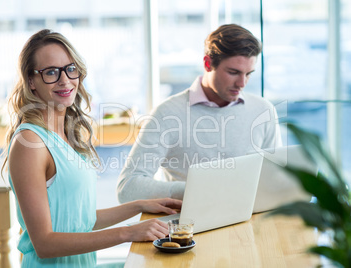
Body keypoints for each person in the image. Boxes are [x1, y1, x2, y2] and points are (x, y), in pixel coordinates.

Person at [2, 29, 182, 267]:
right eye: (51, 72)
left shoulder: (64, 134)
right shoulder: (30, 143)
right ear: (32, 81)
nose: (65, 80)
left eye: (70, 69)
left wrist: (139, 206)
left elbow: (80, 222)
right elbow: (44, 244)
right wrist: (128, 233)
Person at [117, 24, 282, 203]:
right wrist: (198, 190)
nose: (242, 83)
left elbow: (275, 179)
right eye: (233, 72)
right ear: (207, 63)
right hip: (192, 225)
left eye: (248, 74)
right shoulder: (167, 114)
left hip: (252, 222)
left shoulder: (263, 111)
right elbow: (128, 189)